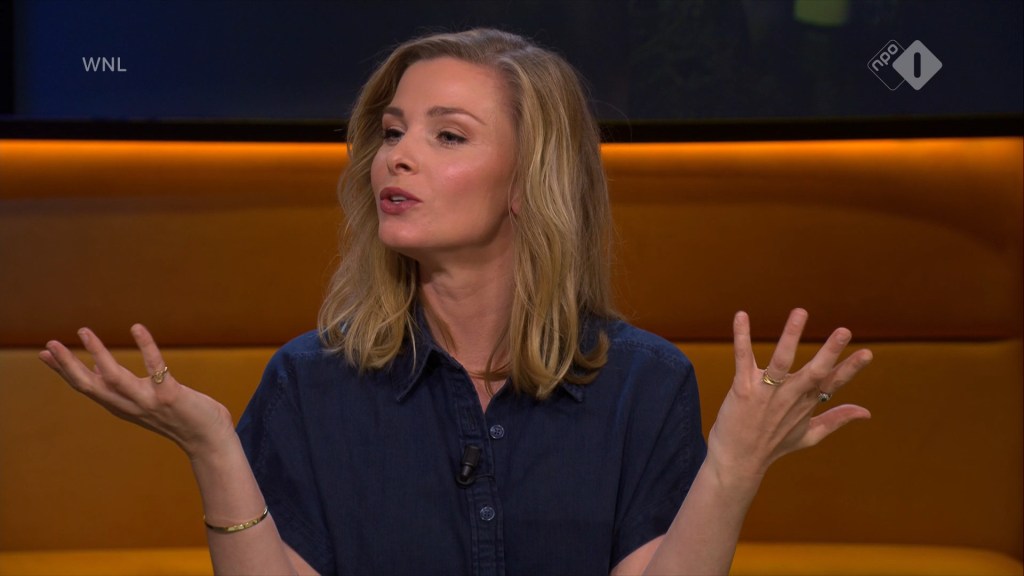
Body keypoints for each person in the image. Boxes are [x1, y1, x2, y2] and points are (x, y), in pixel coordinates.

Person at [39, 28, 872, 575]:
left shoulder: (643, 384)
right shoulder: (309, 382)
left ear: (528, 182)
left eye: (447, 135)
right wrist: (212, 448)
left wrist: (732, 468)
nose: (397, 157)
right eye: (392, 132)